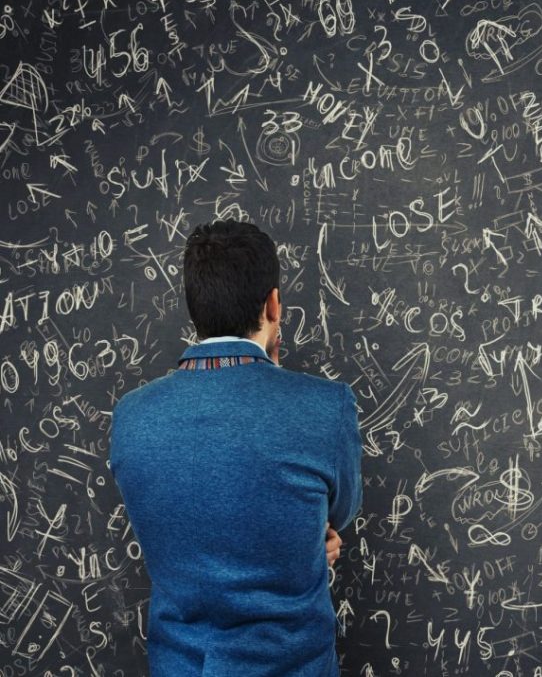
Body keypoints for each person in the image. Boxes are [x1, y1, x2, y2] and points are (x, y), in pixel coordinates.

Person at [109, 219, 363, 676]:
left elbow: (180, 527)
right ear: (273, 304)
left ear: (195, 306)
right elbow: (336, 515)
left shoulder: (132, 415)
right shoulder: (327, 407)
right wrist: (300, 540)